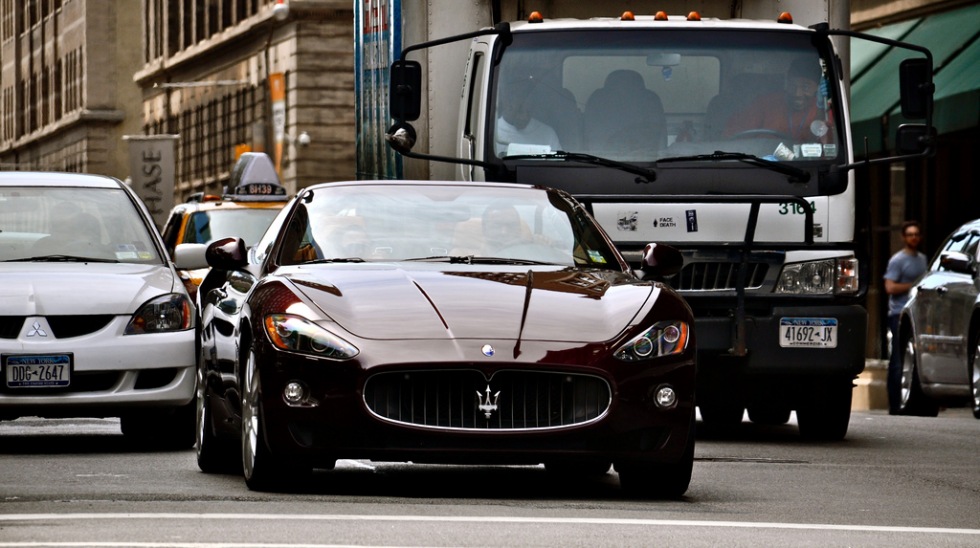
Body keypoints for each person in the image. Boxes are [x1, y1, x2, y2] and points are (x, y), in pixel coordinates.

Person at [725, 57, 828, 143]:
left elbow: (828, 145)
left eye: (806, 87)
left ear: (817, 88)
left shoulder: (823, 109)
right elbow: (732, 135)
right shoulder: (765, 103)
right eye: (792, 85)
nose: (797, 93)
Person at [883, 220, 928, 414]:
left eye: (916, 234)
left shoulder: (923, 259)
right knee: (898, 360)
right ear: (903, 237)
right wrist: (913, 286)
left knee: (914, 358)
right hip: (898, 314)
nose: (914, 237)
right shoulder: (898, 260)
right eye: (910, 234)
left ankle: (913, 402)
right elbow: (890, 287)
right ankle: (895, 405)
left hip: (917, 316)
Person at [494, 81, 562, 156]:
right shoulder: (492, 133)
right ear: (507, 105)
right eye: (520, 110)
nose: (524, 117)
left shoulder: (548, 134)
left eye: (528, 112)